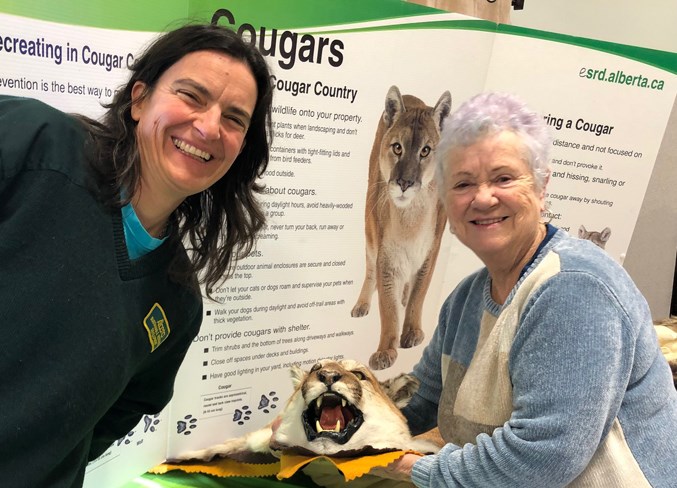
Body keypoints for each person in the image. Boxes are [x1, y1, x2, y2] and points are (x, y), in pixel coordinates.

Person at [0, 23, 273, 487]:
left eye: (234, 118)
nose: (208, 126)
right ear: (140, 99)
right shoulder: (34, 143)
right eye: (192, 95)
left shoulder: (176, 302)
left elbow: (115, 416)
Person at [381, 92, 677, 486]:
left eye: (503, 178)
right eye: (463, 183)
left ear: (541, 186)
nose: (483, 197)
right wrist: (328, 418)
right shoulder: (465, 300)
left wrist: (407, 467)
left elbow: (540, 458)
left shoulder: (574, 289)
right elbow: (417, 402)